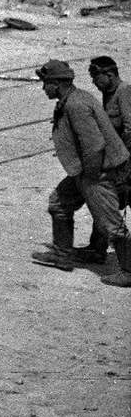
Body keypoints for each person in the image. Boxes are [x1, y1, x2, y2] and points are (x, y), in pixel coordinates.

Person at [31, 59, 131, 286]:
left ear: (57, 84)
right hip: (84, 169)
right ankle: (62, 254)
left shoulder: (76, 105)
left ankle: (128, 271)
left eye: (46, 83)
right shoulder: (74, 98)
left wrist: (91, 180)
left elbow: (94, 145)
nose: (44, 88)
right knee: (59, 202)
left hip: (98, 171)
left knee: (110, 222)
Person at [78, 56, 131, 263]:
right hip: (118, 163)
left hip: (126, 164)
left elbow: (129, 130)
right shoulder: (108, 94)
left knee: (105, 203)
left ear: (109, 74)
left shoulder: (123, 92)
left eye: (95, 77)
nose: (93, 82)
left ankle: (102, 252)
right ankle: (97, 248)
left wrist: (124, 166)